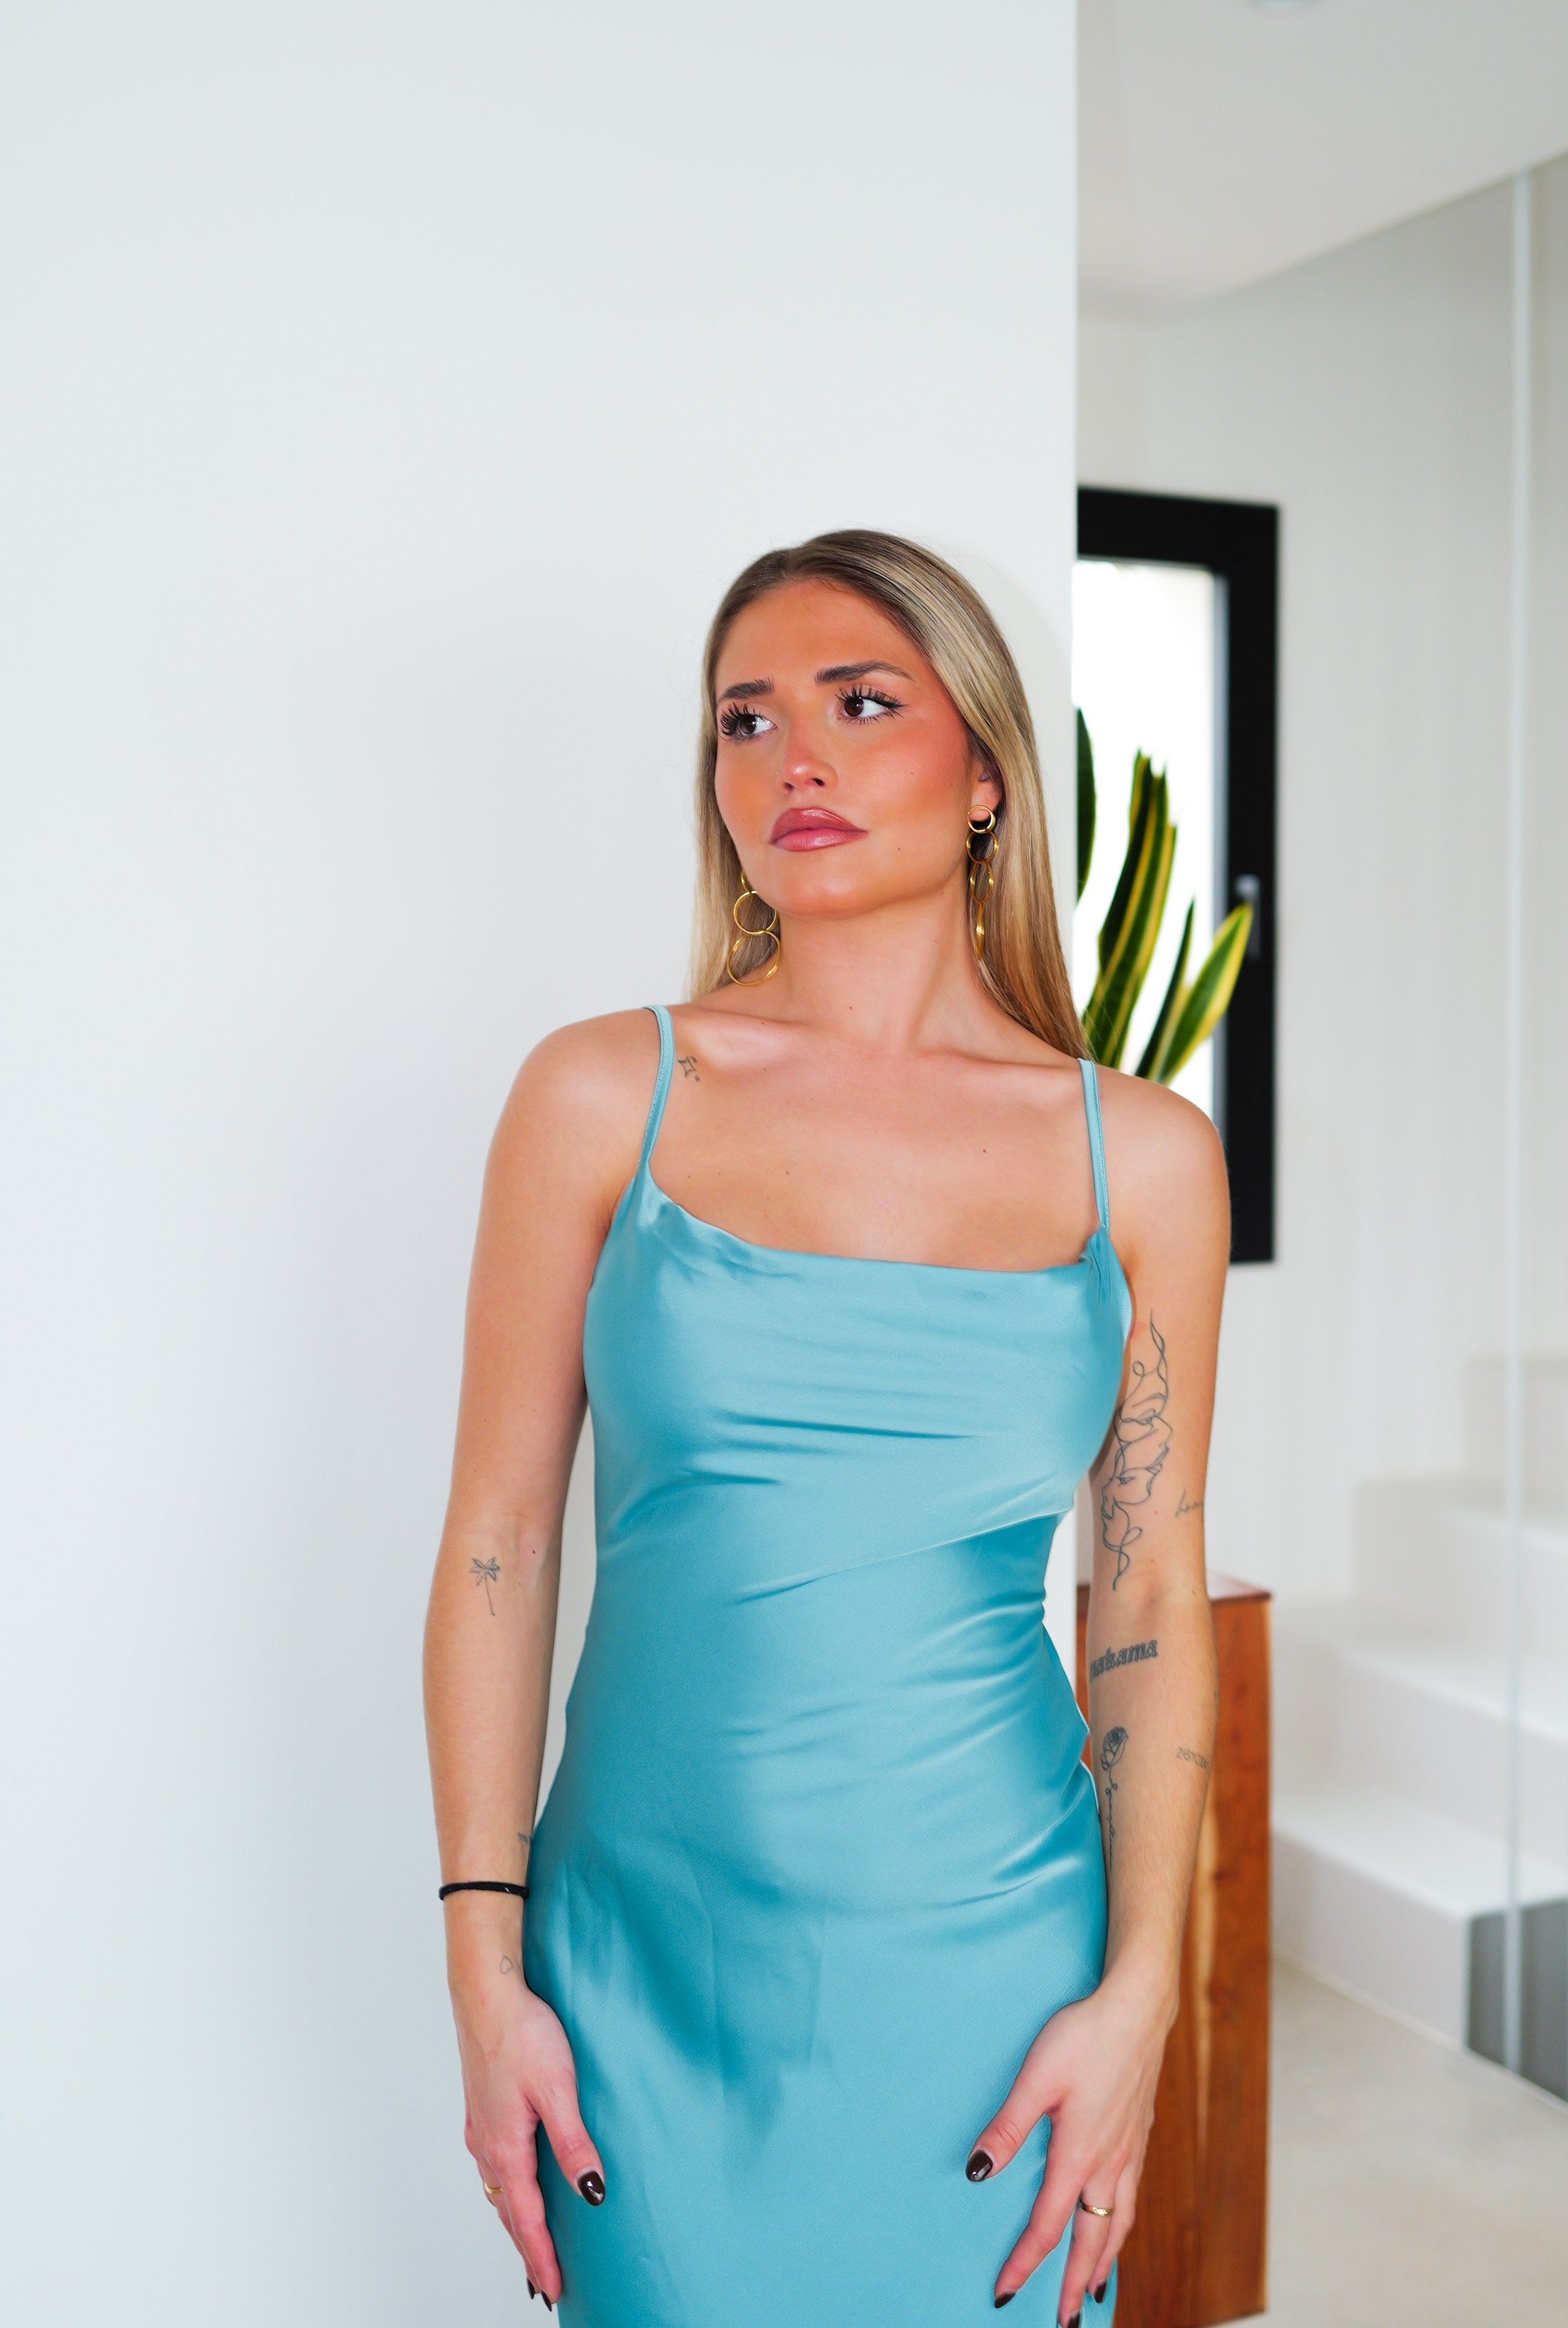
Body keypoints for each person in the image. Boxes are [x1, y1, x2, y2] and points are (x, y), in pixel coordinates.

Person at [422, 530, 1229, 2327]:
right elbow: (499, 1542)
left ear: (988, 771)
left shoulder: (1146, 1157)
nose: (795, 758)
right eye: (747, 718)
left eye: (862, 704)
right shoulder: (601, 1096)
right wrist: (484, 1962)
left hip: (998, 1977)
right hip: (645, 1972)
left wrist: (1139, 1998)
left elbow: (1148, 1596)